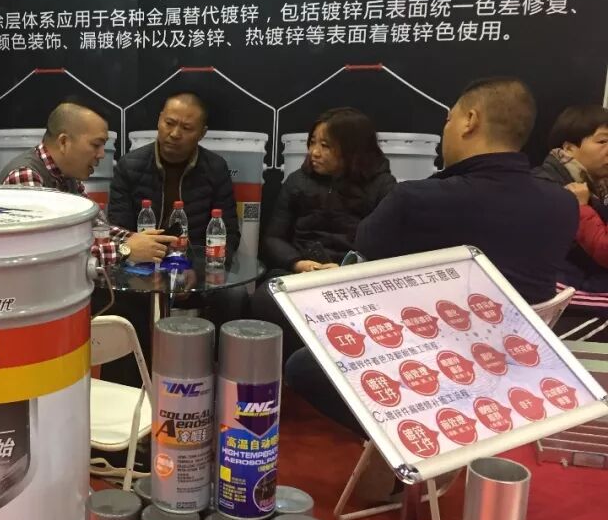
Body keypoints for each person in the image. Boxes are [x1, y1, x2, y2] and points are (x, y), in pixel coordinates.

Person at [285, 77, 579, 436]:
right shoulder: (564, 204)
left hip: (436, 367)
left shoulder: (416, 200)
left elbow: (364, 251)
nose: (446, 131)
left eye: (449, 119)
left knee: (304, 367)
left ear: (470, 121)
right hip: (517, 373)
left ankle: (412, 439)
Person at [252, 108, 396, 361]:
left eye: (325, 145)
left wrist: (347, 269)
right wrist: (298, 263)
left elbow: (389, 247)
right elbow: (273, 237)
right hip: (301, 273)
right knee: (266, 297)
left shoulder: (382, 186)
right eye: (312, 142)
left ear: (352, 149)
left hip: (354, 279)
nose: (314, 152)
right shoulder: (297, 181)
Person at [0, 102, 176, 266]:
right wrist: (125, 250)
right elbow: (50, 254)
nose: (101, 154)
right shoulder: (26, 177)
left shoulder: (67, 175)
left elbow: (98, 227)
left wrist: (142, 241)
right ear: (64, 142)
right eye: (96, 145)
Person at [108, 92, 239, 251]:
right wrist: (131, 255)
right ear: (159, 120)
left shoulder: (215, 168)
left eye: (186, 128)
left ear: (202, 133)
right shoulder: (129, 166)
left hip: (195, 261)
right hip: (141, 260)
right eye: (169, 123)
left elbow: (229, 234)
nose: (175, 134)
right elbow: (118, 232)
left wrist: (203, 263)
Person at [533, 105, 608, 292]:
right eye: (603, 141)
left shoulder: (599, 189)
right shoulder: (545, 186)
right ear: (569, 148)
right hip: (563, 295)